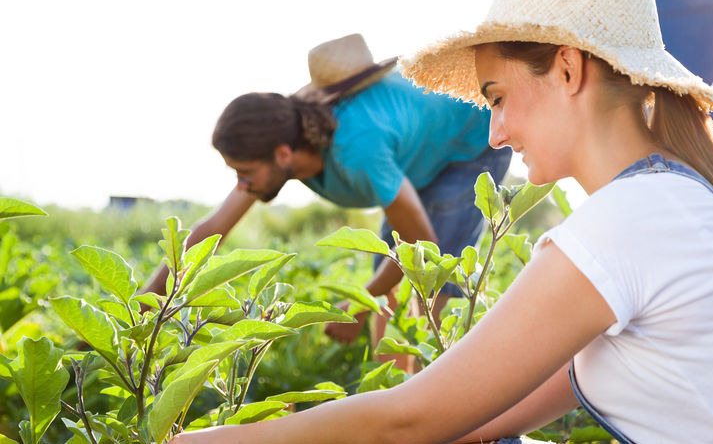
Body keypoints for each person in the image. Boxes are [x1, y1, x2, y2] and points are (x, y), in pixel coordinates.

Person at [171, 0, 713, 442]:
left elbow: (412, 420)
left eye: (497, 98)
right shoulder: (686, 201)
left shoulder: (629, 222)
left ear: (568, 69)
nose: (492, 134)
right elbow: (464, 423)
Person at [143, 34, 511, 351]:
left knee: (429, 277)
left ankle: (433, 402)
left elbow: (419, 242)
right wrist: (136, 313)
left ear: (283, 154)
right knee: (387, 274)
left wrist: (358, 306)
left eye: (244, 172)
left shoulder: (357, 150)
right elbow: (210, 231)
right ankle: (392, 398)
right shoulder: (282, 143)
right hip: (419, 153)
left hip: (473, 137)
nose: (242, 184)